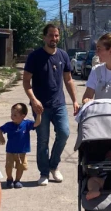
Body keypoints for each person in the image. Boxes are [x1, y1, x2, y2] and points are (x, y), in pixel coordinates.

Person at [23, 24, 80, 186]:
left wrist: (75, 100)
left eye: (56, 36)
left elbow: (68, 80)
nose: (53, 39)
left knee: (64, 133)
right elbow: (26, 82)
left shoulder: (63, 55)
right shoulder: (34, 57)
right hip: (40, 107)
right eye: (50, 35)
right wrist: (33, 100)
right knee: (42, 140)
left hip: (59, 104)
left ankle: (53, 166)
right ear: (44, 37)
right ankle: (43, 173)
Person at [0, 103, 42, 189]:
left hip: (22, 151)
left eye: (15, 115)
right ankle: (9, 179)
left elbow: (36, 124)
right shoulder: (9, 125)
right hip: (10, 151)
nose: (12, 116)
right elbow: (0, 130)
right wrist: (1, 137)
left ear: (23, 116)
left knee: (20, 167)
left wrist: (39, 114)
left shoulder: (27, 124)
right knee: (8, 166)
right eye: (11, 114)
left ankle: (17, 180)